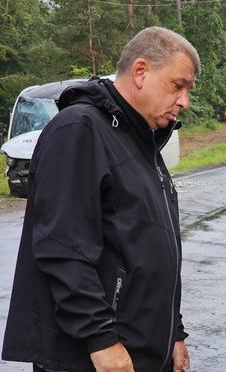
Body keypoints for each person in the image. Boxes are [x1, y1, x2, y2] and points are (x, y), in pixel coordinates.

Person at [2, 27, 199, 372]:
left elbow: (151, 249)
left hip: (145, 350)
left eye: (188, 90)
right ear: (141, 72)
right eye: (177, 85)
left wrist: (174, 332)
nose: (184, 101)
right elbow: (63, 249)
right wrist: (102, 341)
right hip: (97, 357)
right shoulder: (80, 130)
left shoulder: (143, 142)